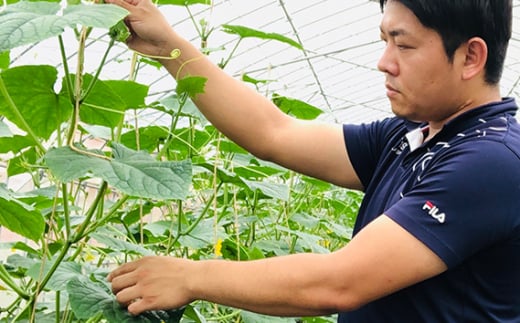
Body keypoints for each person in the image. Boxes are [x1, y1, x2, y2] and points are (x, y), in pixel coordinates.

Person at [107, 0, 520, 321]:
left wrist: (189, 276)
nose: (384, 62)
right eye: (384, 41)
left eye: (404, 44)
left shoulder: (492, 161)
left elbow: (338, 283)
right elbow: (274, 133)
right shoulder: (412, 136)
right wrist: (166, 46)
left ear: (470, 57)